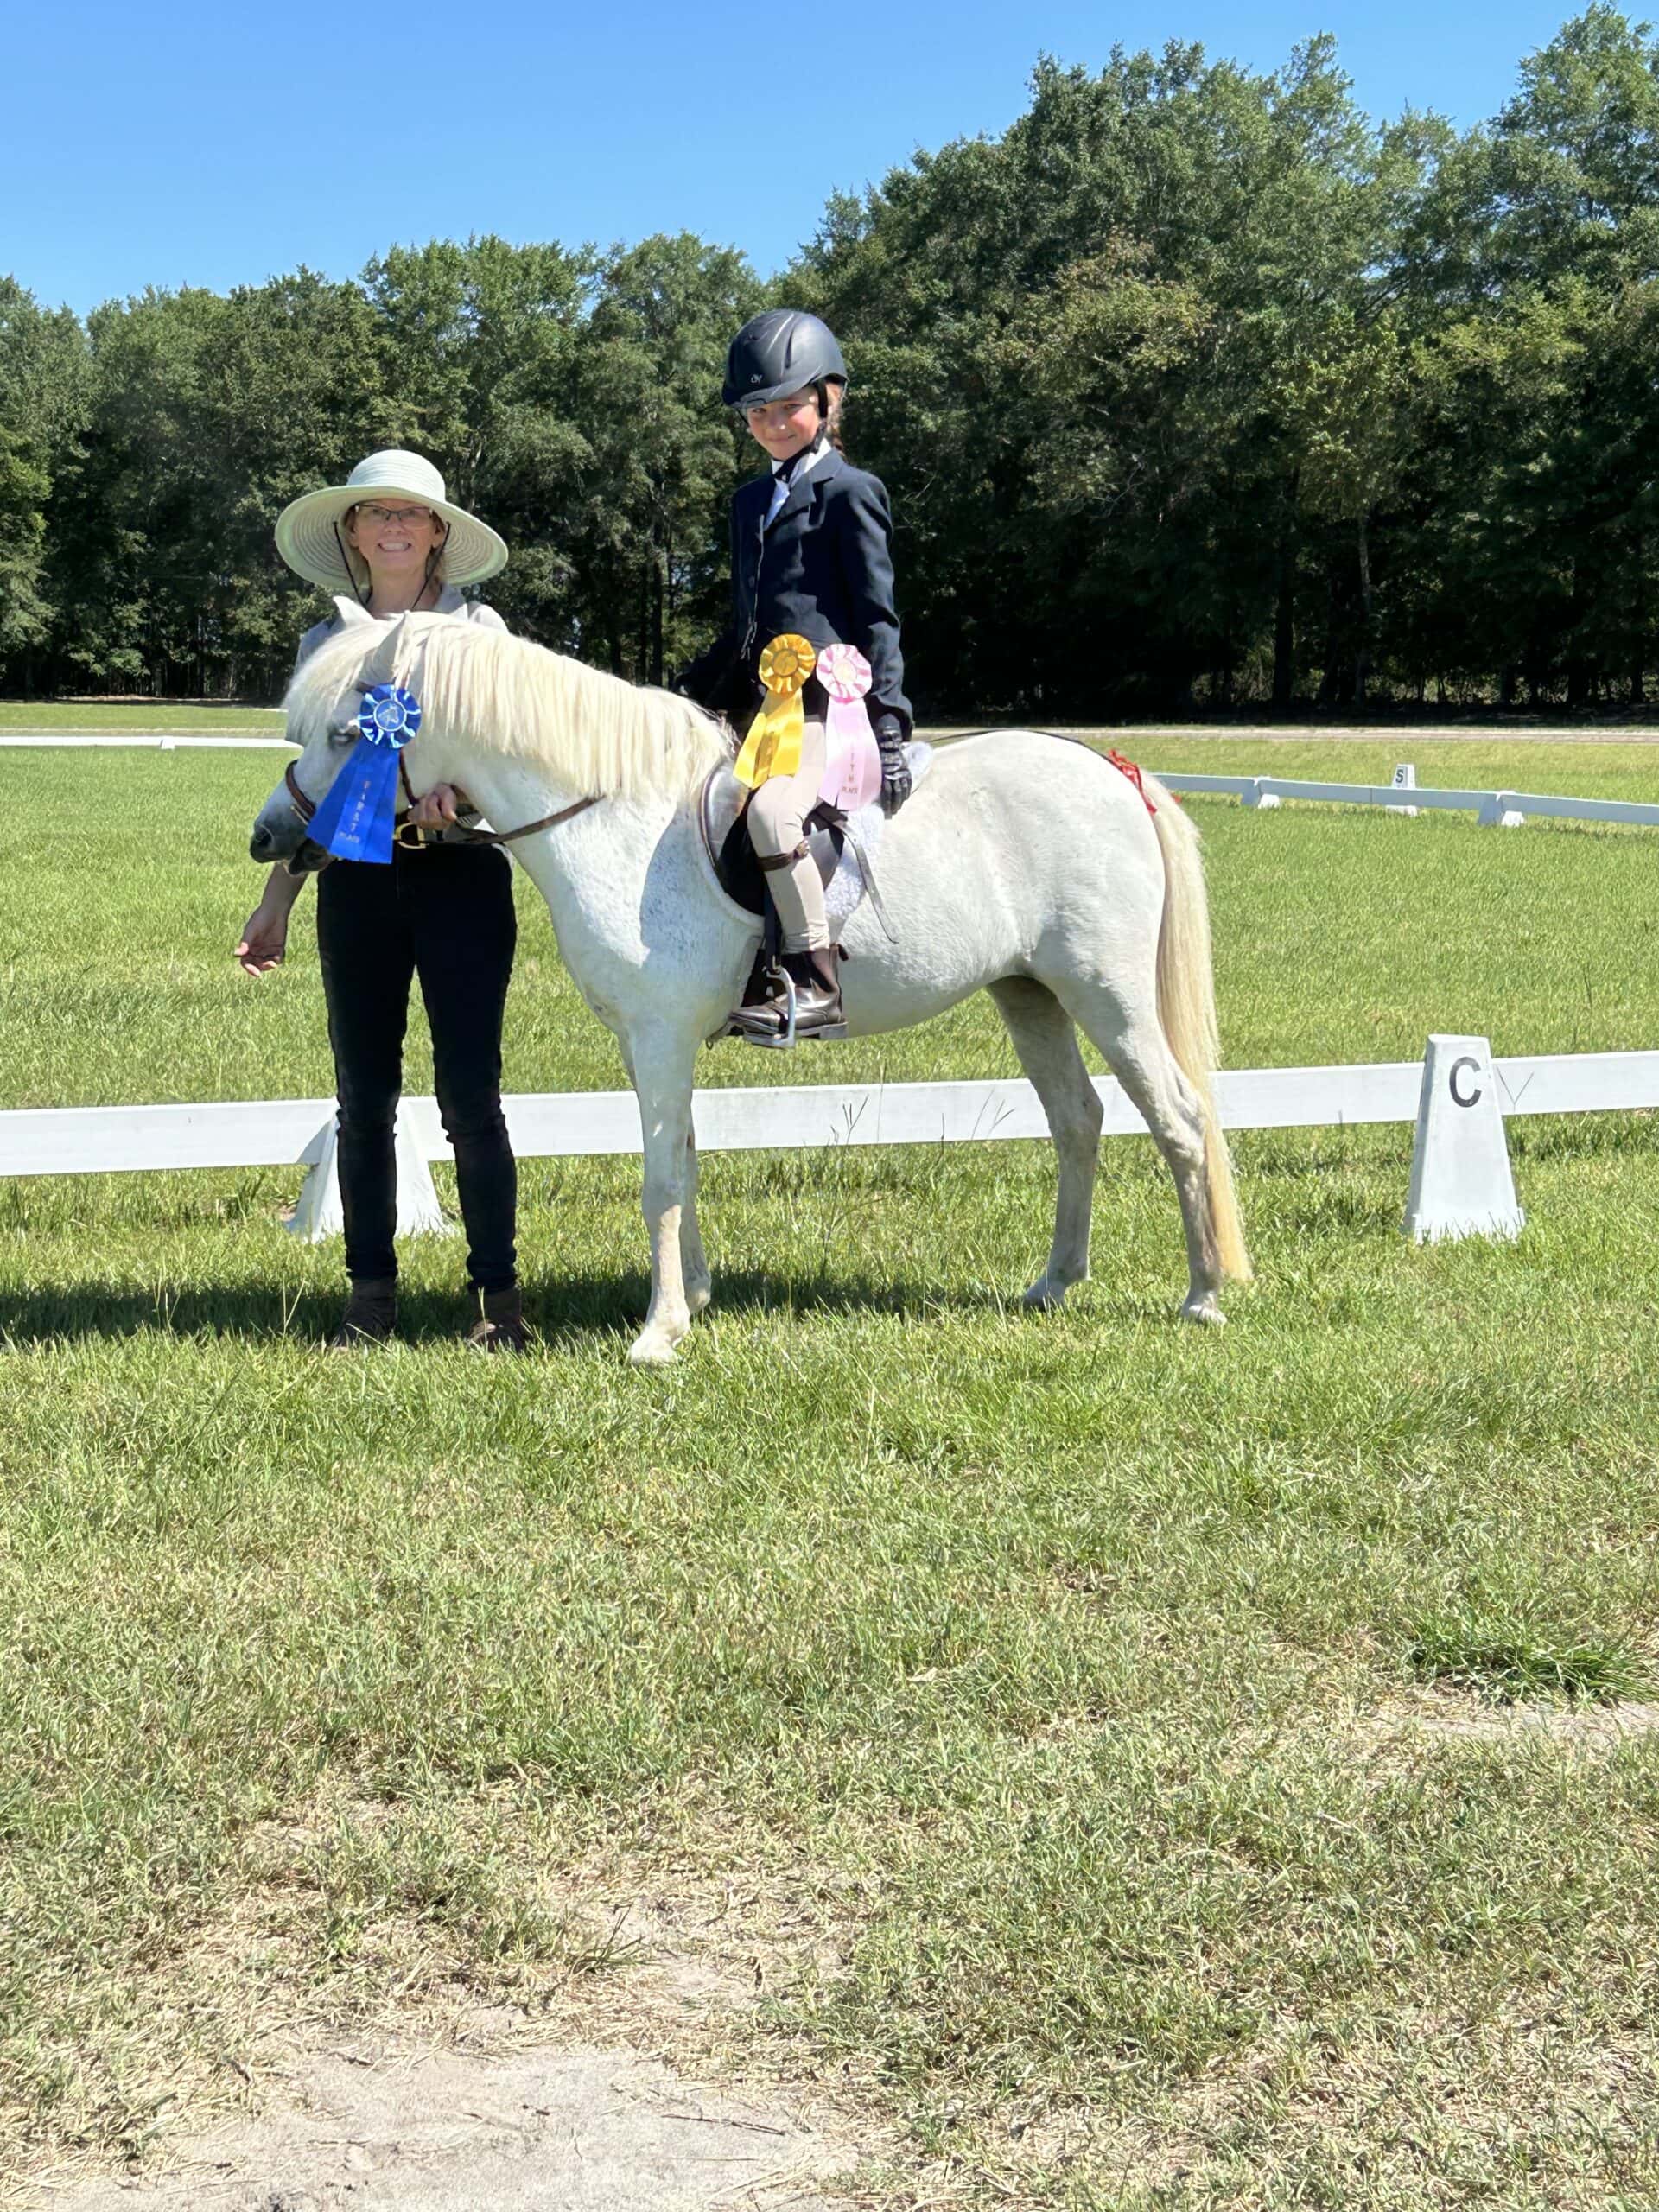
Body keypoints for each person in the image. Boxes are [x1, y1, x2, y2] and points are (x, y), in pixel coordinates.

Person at [235, 450, 530, 1351]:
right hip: (356, 887)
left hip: (463, 881)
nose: (394, 527)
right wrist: (275, 899)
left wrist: (466, 800)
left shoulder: (483, 631)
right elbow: (317, 785)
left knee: (470, 1097)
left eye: (412, 513)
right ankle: (369, 1300)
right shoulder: (321, 646)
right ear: (352, 534)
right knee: (363, 1099)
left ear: (439, 531)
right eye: (376, 514)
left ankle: (497, 1303)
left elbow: (514, 760)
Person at [678, 310, 912, 1039]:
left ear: (828, 400)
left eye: (789, 407)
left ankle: (814, 984)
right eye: (759, 411)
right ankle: (735, 971)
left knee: (776, 816)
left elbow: (878, 617)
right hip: (756, 713)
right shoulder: (749, 504)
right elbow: (743, 628)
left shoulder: (851, 492)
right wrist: (681, 697)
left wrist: (890, 721)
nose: (774, 423)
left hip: (823, 711)